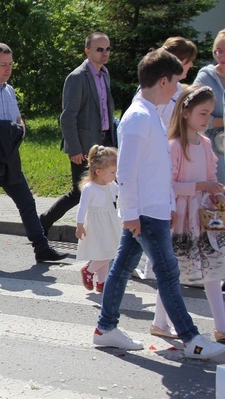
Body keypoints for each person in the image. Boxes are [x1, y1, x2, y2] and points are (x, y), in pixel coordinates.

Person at [92, 48, 225, 361]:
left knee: (122, 268)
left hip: (152, 209)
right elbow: (125, 171)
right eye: (176, 83)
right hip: (146, 212)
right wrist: (131, 214)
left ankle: (105, 328)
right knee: (167, 274)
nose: (179, 91)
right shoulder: (139, 117)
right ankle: (192, 339)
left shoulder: (150, 111)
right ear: (163, 82)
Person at [0, 43, 69, 266]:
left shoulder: (10, 90)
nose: (8, 69)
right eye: (3, 64)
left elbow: (18, 120)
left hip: (8, 156)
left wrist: (19, 128)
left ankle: (41, 248)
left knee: (26, 202)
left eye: (11, 64)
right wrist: (7, 130)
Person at [150, 86, 225, 342]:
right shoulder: (174, 146)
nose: (207, 119)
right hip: (181, 219)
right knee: (174, 272)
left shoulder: (205, 144)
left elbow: (211, 177)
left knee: (212, 270)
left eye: (209, 114)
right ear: (185, 113)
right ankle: (160, 321)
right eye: (202, 114)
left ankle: (221, 326)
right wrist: (202, 187)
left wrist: (216, 193)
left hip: (204, 219)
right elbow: (169, 185)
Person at [134, 36, 199, 281]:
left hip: (171, 156)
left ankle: (161, 269)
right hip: (157, 163)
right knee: (152, 224)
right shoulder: (151, 95)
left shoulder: (178, 89)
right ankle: (160, 271)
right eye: (189, 62)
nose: (191, 66)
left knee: (159, 222)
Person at [40, 32, 116, 235]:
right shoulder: (77, 77)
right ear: (87, 51)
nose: (105, 53)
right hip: (83, 147)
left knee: (108, 188)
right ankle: (43, 223)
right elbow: (67, 117)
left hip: (104, 143)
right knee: (79, 191)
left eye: (107, 48)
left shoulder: (105, 74)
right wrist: (74, 148)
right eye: (99, 49)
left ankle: (105, 233)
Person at [75, 146, 121, 293]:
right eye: (112, 172)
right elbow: (82, 208)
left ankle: (102, 282)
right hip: (96, 224)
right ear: (99, 172)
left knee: (108, 251)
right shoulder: (90, 188)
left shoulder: (111, 185)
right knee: (107, 253)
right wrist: (79, 225)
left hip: (109, 222)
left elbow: (122, 194)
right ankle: (89, 270)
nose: (115, 175)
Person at [193, 29, 225, 184]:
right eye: (217, 51)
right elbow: (193, 116)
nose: (220, 56)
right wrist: (222, 121)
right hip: (214, 151)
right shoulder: (206, 77)